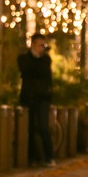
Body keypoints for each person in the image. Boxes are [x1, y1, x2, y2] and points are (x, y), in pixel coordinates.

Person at [18, 33, 55, 167]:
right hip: (28, 98)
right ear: (33, 45)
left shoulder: (45, 59)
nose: (42, 48)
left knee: (43, 127)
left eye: (43, 45)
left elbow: (44, 74)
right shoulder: (24, 58)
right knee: (30, 128)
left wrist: (39, 58)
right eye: (40, 45)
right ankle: (31, 158)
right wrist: (34, 57)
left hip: (43, 98)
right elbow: (26, 70)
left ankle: (49, 157)